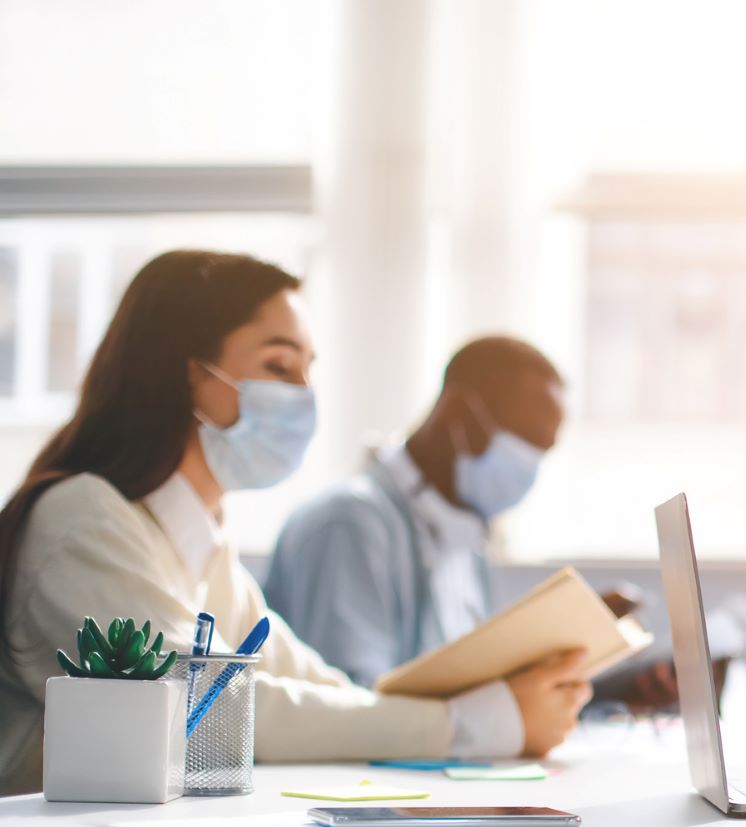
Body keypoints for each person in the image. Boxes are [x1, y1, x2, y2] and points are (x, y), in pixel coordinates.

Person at [0, 251, 589, 797]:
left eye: (308, 370)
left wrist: (507, 706)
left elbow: (324, 690)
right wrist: (476, 727)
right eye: (280, 365)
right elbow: (215, 714)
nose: (304, 397)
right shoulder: (83, 520)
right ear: (186, 374)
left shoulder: (201, 543)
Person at [265, 336, 625, 684]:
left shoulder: (466, 533)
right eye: (526, 440)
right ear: (458, 412)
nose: (531, 466)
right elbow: (349, 712)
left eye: (543, 450)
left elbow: (468, 686)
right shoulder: (348, 524)